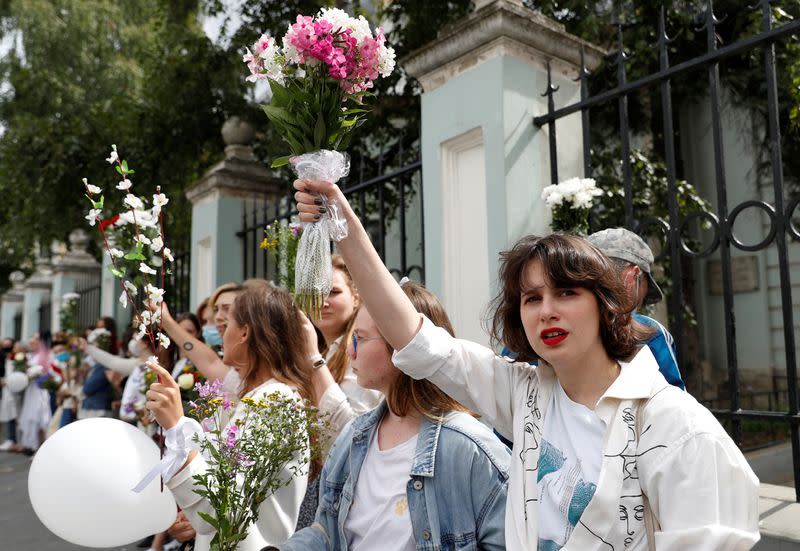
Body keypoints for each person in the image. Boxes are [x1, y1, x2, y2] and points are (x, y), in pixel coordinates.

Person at [292, 179, 761, 550]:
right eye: (531, 297)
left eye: (567, 292)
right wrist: (342, 225)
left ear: (607, 304)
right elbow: (417, 337)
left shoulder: (679, 430)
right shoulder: (525, 394)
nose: (546, 310)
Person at [270, 281, 510, 551]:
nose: (351, 352)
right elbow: (327, 532)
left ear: (403, 345)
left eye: (359, 338)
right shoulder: (354, 436)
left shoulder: (470, 448)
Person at [146, 284, 319, 551]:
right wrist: (195, 519)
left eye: (227, 325)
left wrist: (177, 425)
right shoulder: (258, 397)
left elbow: (228, 508)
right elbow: (228, 496)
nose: (221, 333)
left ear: (244, 333)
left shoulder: (276, 402)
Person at [586, 227, 685, 390]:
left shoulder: (557, 325)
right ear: (632, 276)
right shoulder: (648, 331)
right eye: (646, 282)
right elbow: (676, 401)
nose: (645, 297)